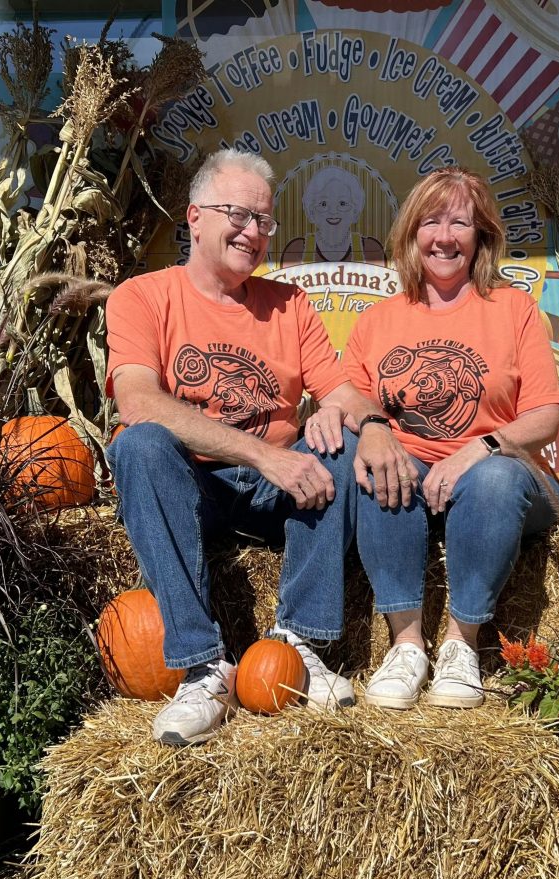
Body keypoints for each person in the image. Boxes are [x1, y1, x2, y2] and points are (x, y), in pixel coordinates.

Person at [105, 150, 414, 746]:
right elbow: (138, 402)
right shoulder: (142, 296)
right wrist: (264, 455)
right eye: (239, 215)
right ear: (195, 217)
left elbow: (339, 391)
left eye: (264, 221)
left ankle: (297, 647)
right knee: (139, 446)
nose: (252, 232)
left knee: (340, 442)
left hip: (278, 492)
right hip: (195, 486)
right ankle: (202, 666)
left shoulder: (290, 305)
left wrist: (375, 425)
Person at [340, 167, 559, 710]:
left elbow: (546, 415)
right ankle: (406, 645)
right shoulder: (378, 320)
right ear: (411, 233)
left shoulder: (513, 309)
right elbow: (345, 396)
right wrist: (372, 431)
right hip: (414, 469)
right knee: (381, 466)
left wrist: (479, 449)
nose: (444, 237)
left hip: (502, 475)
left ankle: (462, 645)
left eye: (459, 223)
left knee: (494, 479)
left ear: (481, 236)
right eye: (431, 222)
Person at [280, 165, 386, 266]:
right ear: (311, 212)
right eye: (323, 204)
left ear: (355, 211)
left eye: (342, 203)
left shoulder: (370, 249)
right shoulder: (297, 249)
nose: (333, 211)